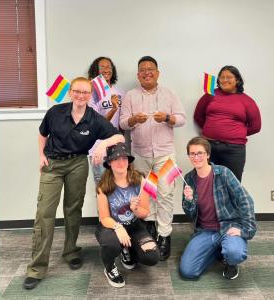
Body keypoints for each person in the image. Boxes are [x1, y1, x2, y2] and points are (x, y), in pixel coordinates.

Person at [23, 77, 125, 290]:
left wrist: (102, 144)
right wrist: (41, 155)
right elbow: (42, 135)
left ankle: (70, 251)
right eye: (77, 92)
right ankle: (37, 268)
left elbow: (119, 138)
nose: (81, 96)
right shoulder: (55, 112)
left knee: (73, 210)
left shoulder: (94, 118)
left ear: (90, 95)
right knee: (44, 214)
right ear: (70, 92)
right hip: (52, 165)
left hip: (78, 164)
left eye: (85, 93)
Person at [119, 56, 186, 261]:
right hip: (140, 154)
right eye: (143, 70)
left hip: (166, 154)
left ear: (158, 73)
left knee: (165, 193)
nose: (147, 72)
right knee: (146, 193)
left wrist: (167, 118)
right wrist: (133, 120)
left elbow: (182, 119)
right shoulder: (130, 95)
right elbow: (122, 124)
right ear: (138, 74)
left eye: (151, 69)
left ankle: (164, 234)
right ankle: (149, 227)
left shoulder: (170, 94)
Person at [179, 137, 256, 280]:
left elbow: (246, 200)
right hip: (205, 230)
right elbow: (190, 213)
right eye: (192, 154)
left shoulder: (223, 173)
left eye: (200, 153)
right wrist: (189, 201)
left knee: (235, 253)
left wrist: (246, 230)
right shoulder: (189, 178)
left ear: (208, 155)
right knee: (188, 271)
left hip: (228, 227)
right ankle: (218, 250)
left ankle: (230, 261)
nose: (196, 157)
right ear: (189, 156)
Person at [95, 142, 159, 288]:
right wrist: (118, 227)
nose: (120, 162)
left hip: (134, 225)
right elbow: (104, 218)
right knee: (112, 245)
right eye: (116, 159)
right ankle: (110, 268)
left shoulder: (139, 180)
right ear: (109, 163)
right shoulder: (103, 186)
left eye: (124, 158)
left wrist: (135, 209)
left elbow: (145, 212)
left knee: (152, 256)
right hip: (110, 226)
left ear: (129, 162)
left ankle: (128, 249)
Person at [193, 65, 261, 182]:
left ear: (237, 80)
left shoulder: (247, 101)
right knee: (206, 182)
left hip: (234, 150)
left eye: (229, 77)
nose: (225, 80)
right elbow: (198, 116)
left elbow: (256, 126)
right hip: (209, 146)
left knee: (232, 184)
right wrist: (211, 129)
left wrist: (237, 133)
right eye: (222, 77)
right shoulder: (210, 95)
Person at [87, 57, 127, 185]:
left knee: (119, 187)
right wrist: (113, 109)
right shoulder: (92, 93)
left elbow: (123, 121)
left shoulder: (120, 93)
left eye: (109, 66)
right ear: (95, 70)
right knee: (103, 188)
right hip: (98, 148)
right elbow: (96, 125)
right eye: (102, 67)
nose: (106, 69)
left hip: (117, 147)